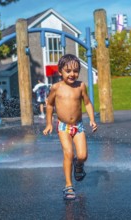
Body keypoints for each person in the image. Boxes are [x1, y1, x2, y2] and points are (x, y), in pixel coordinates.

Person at [43, 54, 97, 200]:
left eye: (75, 71)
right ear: (60, 72)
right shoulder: (56, 87)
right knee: (68, 154)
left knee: (82, 156)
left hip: (78, 126)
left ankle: (78, 166)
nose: (72, 74)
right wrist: (49, 123)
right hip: (63, 127)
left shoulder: (81, 86)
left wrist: (92, 119)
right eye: (68, 71)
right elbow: (49, 105)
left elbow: (87, 103)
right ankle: (68, 185)